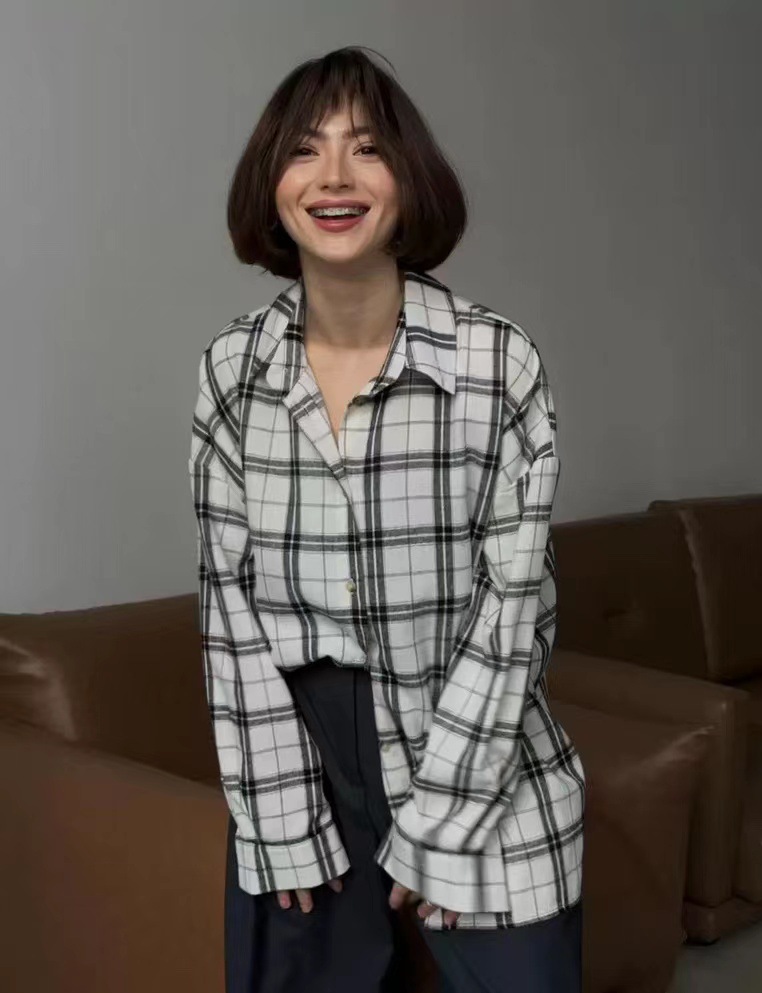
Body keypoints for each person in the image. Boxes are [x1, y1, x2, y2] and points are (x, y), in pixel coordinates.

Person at [188, 45, 585, 993]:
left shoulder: (497, 363)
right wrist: (279, 817)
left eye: (366, 148)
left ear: (410, 178)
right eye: (304, 150)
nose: (334, 176)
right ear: (271, 183)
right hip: (301, 751)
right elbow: (228, 611)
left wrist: (444, 821)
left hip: (472, 743)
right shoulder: (231, 372)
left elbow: (513, 612)